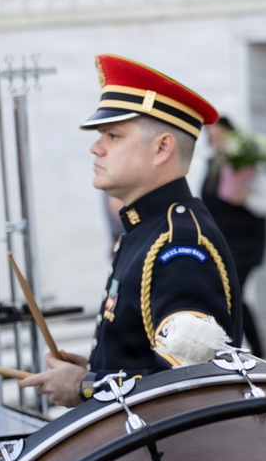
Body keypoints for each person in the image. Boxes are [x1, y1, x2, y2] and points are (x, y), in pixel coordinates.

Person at [20, 55, 242, 407]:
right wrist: (97, 368)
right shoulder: (148, 228)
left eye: (113, 135)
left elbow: (194, 384)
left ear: (162, 148)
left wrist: (87, 386)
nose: (96, 146)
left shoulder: (177, 244)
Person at [200, 115, 266, 357]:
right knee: (230, 296)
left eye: (220, 135)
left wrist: (246, 199)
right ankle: (240, 350)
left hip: (245, 243)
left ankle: (242, 350)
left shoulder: (250, 163)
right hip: (220, 243)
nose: (216, 141)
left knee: (233, 294)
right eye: (211, 137)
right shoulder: (212, 165)